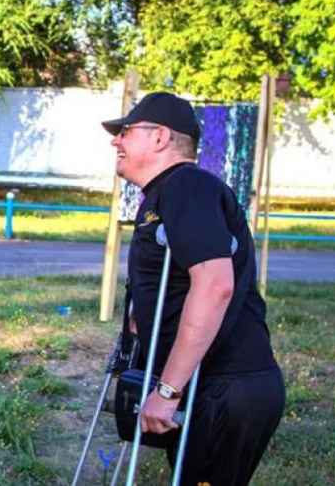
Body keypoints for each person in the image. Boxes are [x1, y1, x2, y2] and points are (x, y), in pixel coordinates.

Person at [101, 92, 285, 485]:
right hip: (207, 386)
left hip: (227, 386)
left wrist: (167, 391)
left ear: (160, 138)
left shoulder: (188, 186)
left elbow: (215, 284)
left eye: (126, 131)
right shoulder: (166, 193)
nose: (116, 140)